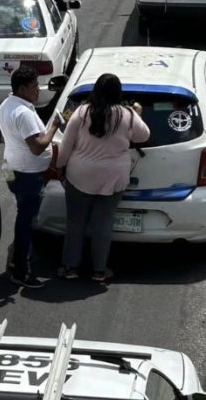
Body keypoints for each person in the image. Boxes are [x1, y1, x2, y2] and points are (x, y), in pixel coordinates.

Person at [55, 74, 150, 283]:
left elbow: (66, 146)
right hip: (113, 178)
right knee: (103, 223)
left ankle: (70, 267)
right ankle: (99, 270)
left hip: (79, 175)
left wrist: (59, 167)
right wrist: (138, 113)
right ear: (118, 92)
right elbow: (144, 136)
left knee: (75, 222)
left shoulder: (81, 113)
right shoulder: (127, 115)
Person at [0, 66, 61, 288]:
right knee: (27, 220)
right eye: (34, 87)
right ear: (22, 88)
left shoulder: (8, 104)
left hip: (12, 169)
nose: (38, 90)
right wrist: (54, 127)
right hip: (28, 174)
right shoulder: (23, 114)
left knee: (22, 213)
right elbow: (37, 147)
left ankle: (18, 257)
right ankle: (21, 270)